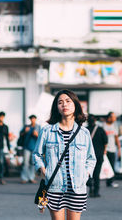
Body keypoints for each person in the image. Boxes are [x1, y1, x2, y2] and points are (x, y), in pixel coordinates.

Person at [33, 89, 96, 220]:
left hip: (77, 187)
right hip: (54, 186)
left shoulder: (84, 133)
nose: (64, 105)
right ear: (56, 107)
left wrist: (86, 174)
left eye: (68, 101)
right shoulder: (47, 131)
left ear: (75, 105)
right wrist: (44, 171)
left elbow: (91, 158)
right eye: (60, 102)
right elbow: (37, 154)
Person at [87, 114, 107, 198]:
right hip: (99, 155)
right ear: (95, 120)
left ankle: (90, 187)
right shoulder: (100, 130)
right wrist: (104, 151)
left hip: (87, 156)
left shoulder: (85, 130)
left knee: (88, 173)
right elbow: (105, 141)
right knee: (96, 174)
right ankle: (96, 192)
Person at [102, 112, 121, 188]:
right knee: (104, 166)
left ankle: (110, 182)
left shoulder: (114, 126)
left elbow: (116, 138)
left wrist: (119, 149)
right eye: (114, 117)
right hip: (105, 150)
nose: (115, 119)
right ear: (109, 118)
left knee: (112, 166)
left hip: (112, 149)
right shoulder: (103, 126)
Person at [20, 114, 40, 184]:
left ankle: (31, 177)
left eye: (34, 118)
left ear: (35, 119)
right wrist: (25, 131)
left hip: (34, 148)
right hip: (26, 147)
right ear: (30, 120)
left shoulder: (38, 127)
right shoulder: (27, 127)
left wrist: (36, 134)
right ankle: (24, 178)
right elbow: (21, 135)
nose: (32, 120)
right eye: (31, 119)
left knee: (32, 163)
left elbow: (41, 137)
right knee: (25, 163)